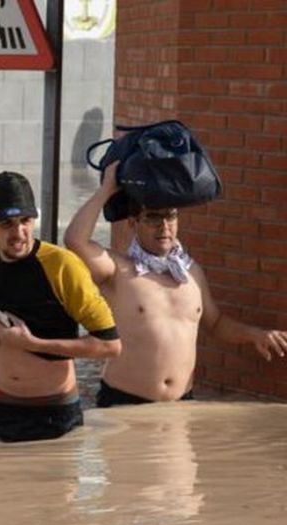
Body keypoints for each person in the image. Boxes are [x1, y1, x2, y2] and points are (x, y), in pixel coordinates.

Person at [64, 162, 287, 407]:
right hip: (125, 403)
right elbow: (75, 240)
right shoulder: (118, 270)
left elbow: (215, 323)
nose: (164, 226)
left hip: (180, 405)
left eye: (170, 216)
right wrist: (106, 189)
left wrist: (255, 335)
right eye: (153, 217)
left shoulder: (192, 273)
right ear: (133, 223)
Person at [0, 171, 121, 442]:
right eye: (7, 224)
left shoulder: (63, 266)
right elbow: (9, 312)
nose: (19, 233)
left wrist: (34, 343)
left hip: (54, 414)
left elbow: (110, 346)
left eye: (25, 220)